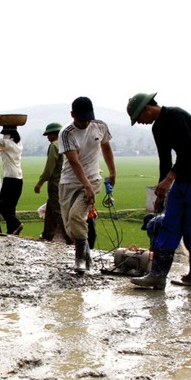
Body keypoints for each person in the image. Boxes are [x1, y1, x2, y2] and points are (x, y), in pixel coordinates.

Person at [127, 92, 191, 289]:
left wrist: (169, 180)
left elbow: (189, 151)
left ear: (147, 108)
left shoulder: (176, 116)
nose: (140, 122)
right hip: (182, 177)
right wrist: (161, 190)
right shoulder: (157, 128)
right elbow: (165, 160)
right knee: (170, 223)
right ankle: (157, 275)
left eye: (138, 118)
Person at [58, 97, 116, 275]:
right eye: (82, 119)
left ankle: (80, 260)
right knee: (70, 226)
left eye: (88, 118)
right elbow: (74, 162)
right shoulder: (67, 133)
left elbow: (106, 148)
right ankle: (87, 254)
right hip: (69, 182)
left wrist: (112, 172)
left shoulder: (100, 126)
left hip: (93, 178)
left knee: (77, 216)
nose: (85, 122)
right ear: (72, 115)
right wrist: (86, 185)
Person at [0, 114, 24, 235]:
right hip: (19, 179)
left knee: (2, 206)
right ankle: (12, 230)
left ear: (8, 134)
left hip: (10, 179)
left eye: (4, 134)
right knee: (11, 207)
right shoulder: (19, 145)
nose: (3, 136)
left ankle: (16, 224)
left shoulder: (7, 144)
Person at [35, 122, 69, 242]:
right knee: (50, 209)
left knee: (57, 211)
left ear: (55, 134)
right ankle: (47, 235)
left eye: (49, 135)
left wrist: (40, 182)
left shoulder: (54, 146)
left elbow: (49, 167)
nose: (48, 137)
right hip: (65, 182)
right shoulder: (65, 144)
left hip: (55, 183)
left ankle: (69, 238)